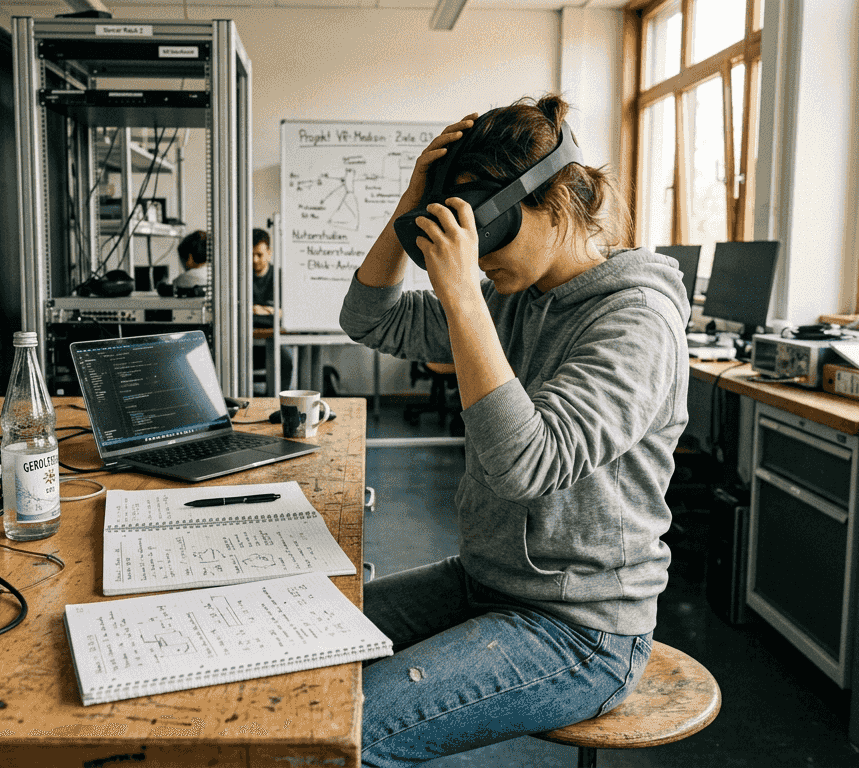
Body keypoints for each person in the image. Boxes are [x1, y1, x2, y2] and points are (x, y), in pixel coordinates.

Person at [339, 94, 690, 766]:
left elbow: (526, 465)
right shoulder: (513, 299)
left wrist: (464, 297)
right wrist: (410, 202)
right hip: (486, 582)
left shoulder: (637, 321)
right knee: (299, 646)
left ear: (557, 203)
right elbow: (369, 319)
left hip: (582, 630)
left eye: (489, 232)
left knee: (346, 734)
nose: (476, 260)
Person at [251, 227, 294, 391]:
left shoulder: (280, 277)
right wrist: (269, 310)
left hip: (275, 341)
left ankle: (276, 402)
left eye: (259, 254)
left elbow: (286, 312)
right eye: (251, 254)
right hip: (246, 342)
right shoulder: (239, 277)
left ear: (269, 253)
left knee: (285, 359)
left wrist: (257, 310)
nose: (254, 260)